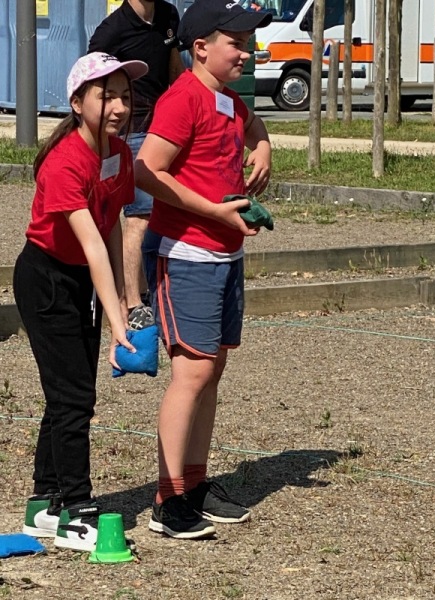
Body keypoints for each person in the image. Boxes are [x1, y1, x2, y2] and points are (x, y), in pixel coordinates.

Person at [134, 0, 272, 539]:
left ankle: (194, 483)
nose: (246, 52)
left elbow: (251, 124)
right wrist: (214, 211)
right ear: (200, 48)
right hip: (187, 254)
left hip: (226, 254)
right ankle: (167, 499)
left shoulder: (227, 100)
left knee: (211, 370)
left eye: (247, 42)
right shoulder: (183, 98)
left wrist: (263, 145)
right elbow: (147, 170)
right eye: (235, 43)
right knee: (191, 373)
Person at [14, 52, 148, 552]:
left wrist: (125, 301)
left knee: (68, 394)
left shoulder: (120, 153)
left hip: (82, 282)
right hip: (46, 280)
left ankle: (43, 504)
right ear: (77, 102)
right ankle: (76, 509)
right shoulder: (64, 160)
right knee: (73, 399)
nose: (119, 106)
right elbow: (90, 245)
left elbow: (110, 227)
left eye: (125, 96)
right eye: (106, 96)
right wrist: (118, 323)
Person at [88, 0, 185, 330]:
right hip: (130, 131)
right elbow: (92, 88)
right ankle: (133, 303)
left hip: (163, 129)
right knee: (139, 216)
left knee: (157, 212)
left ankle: (148, 292)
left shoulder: (169, 15)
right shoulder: (111, 31)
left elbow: (175, 71)